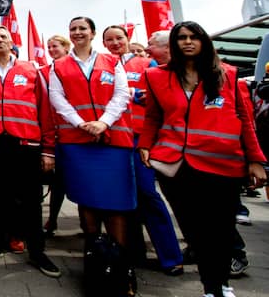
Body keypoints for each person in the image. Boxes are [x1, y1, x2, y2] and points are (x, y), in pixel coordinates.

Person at [138, 21, 267, 297]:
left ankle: (219, 283)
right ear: (174, 43)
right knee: (195, 231)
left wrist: (256, 159)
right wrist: (146, 146)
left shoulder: (228, 75)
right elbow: (152, 116)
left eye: (193, 37)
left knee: (220, 231)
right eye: (181, 37)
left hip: (224, 165)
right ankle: (212, 286)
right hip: (177, 166)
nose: (187, 42)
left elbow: (245, 120)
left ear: (203, 42)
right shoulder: (156, 77)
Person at [0, 25, 61, 277]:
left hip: (26, 147)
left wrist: (48, 150)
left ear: (11, 41)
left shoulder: (31, 69)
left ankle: (37, 252)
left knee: (30, 202)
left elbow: (45, 110)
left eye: (3, 36)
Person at [48, 16, 136, 290]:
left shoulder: (112, 62)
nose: (77, 33)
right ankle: (94, 258)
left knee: (117, 203)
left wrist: (103, 122)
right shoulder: (59, 66)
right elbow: (57, 98)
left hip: (113, 140)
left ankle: (122, 265)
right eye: (73, 29)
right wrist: (81, 123)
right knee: (87, 199)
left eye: (82, 28)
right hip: (78, 140)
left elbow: (122, 95)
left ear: (93, 33)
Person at [103, 25, 183, 276]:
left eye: (119, 38)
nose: (115, 43)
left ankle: (171, 257)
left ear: (128, 39)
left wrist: (134, 93)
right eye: (109, 39)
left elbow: (161, 95)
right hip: (113, 139)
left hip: (140, 139)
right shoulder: (101, 65)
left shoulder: (146, 64)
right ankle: (133, 252)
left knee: (148, 194)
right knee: (122, 197)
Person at [42, 35, 70, 237]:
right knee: (56, 182)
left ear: (66, 47)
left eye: (56, 46)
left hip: (76, 132)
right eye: (49, 46)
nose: (52, 49)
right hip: (53, 132)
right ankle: (52, 219)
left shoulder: (76, 69)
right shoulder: (44, 72)